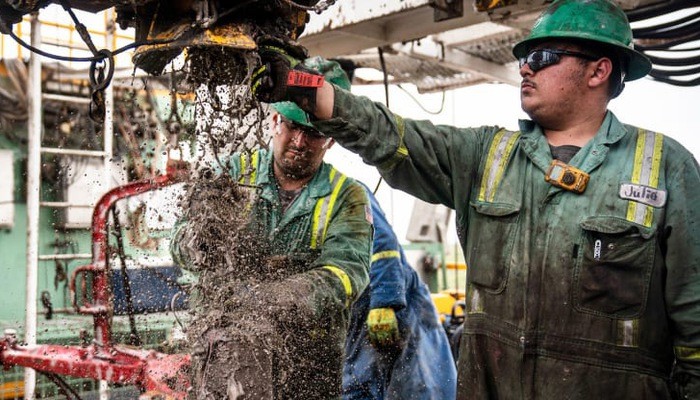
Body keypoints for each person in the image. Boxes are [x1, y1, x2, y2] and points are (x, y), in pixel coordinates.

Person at [251, 0, 700, 398]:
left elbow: (694, 320)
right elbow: (393, 135)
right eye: (523, 57)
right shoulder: (486, 156)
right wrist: (306, 89)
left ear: (598, 71)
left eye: (542, 57)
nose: (525, 67)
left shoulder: (664, 168)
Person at [171, 58, 373, 399]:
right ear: (275, 119)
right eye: (291, 126)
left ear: (331, 140)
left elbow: (346, 275)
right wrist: (197, 242)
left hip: (308, 366)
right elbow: (179, 243)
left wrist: (272, 298)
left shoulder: (346, 196)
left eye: (313, 132)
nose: (298, 140)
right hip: (224, 354)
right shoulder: (232, 173)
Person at [344, 181, 457, 400]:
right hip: (359, 317)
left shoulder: (345, 191)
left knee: (419, 385)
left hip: (391, 309)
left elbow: (382, 242)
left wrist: (384, 302)